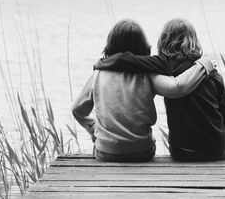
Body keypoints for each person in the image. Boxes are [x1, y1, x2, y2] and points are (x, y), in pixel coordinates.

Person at [94, 18, 225, 162]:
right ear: (194, 41)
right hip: (216, 151)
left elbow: (127, 60)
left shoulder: (161, 65)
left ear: (163, 41)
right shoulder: (211, 74)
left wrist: (102, 64)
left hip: (182, 153)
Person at [72, 19, 214, 162]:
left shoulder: (98, 74)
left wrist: (93, 128)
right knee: (150, 139)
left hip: (106, 152)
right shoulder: (147, 74)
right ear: (143, 45)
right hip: (141, 151)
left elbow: (77, 109)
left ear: (110, 44)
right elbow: (177, 88)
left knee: (100, 147)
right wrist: (203, 65)